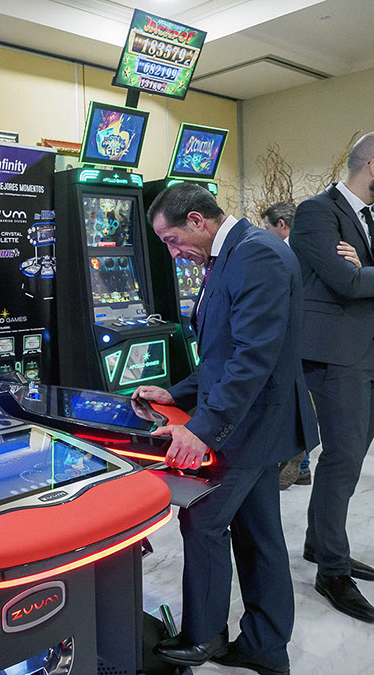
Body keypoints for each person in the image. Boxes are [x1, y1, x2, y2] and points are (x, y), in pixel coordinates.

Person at [134, 184, 317, 675]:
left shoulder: (258, 255)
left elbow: (252, 358)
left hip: (252, 424)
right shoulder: (234, 253)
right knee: (259, 534)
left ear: (197, 220)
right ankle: (265, 646)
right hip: (252, 421)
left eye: (173, 240)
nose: (173, 254)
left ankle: (204, 637)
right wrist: (176, 393)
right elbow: (221, 353)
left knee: (203, 520)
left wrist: (203, 429)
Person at [290, 132, 374, 624]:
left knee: (351, 457)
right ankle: (332, 570)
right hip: (336, 356)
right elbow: (347, 282)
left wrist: (367, 272)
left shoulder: (368, 218)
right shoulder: (316, 213)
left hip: (366, 353)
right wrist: (362, 274)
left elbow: (365, 278)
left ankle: (319, 543)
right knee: (343, 458)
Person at [261, 202, 363, 490]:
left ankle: (296, 459)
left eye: (268, 227)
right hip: (322, 341)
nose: (266, 233)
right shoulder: (329, 248)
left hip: (297, 339)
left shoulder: (285, 252)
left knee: (296, 403)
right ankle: (301, 466)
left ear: (282, 225)